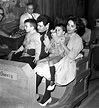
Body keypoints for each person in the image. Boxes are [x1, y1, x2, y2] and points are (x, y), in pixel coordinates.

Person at [34, 16, 84, 106]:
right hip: (58, 58)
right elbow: (54, 50)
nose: (69, 27)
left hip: (68, 62)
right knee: (39, 67)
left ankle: (46, 96)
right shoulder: (64, 34)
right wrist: (49, 45)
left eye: (72, 26)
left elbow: (72, 55)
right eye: (68, 25)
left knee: (48, 68)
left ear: (77, 28)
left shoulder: (78, 39)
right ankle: (33, 93)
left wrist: (62, 44)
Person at [38, 23, 66, 91]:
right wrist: (48, 44)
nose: (56, 31)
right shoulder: (53, 39)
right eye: (55, 30)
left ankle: (52, 81)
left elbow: (60, 49)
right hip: (52, 55)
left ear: (63, 32)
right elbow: (50, 50)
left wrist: (54, 36)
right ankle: (44, 77)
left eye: (59, 30)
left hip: (59, 56)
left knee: (50, 62)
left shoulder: (63, 38)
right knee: (39, 61)